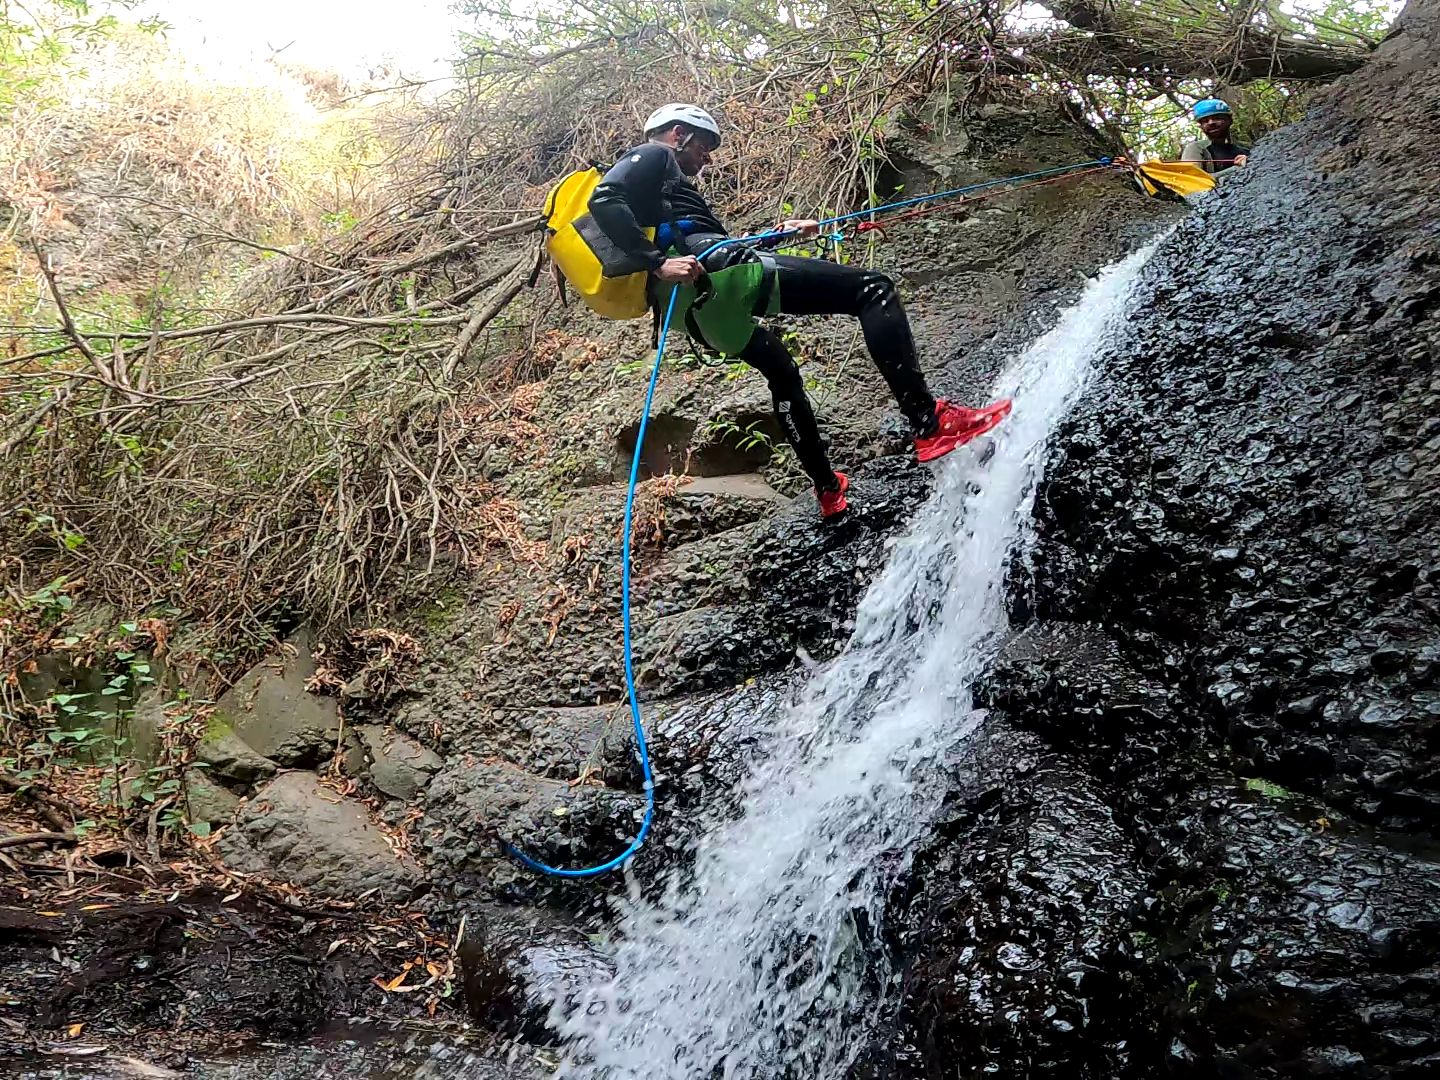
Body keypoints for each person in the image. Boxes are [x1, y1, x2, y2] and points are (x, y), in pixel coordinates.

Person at [586, 103, 1012, 521]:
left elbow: (709, 242)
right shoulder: (657, 154)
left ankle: (828, 489)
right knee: (873, 290)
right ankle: (928, 421)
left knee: (783, 374)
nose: (707, 155)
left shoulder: (664, 198)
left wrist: (778, 234)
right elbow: (605, 199)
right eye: (704, 144)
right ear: (678, 134)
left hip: (697, 315)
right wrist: (656, 260)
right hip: (710, 278)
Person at [1181, 99, 1249, 175]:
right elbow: (1193, 179)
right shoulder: (1196, 148)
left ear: (1229, 120)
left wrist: (1248, 161)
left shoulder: (1244, 150)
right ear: (1201, 126)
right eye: (1205, 121)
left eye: (1216, 118)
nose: (1211, 123)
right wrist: (1237, 168)